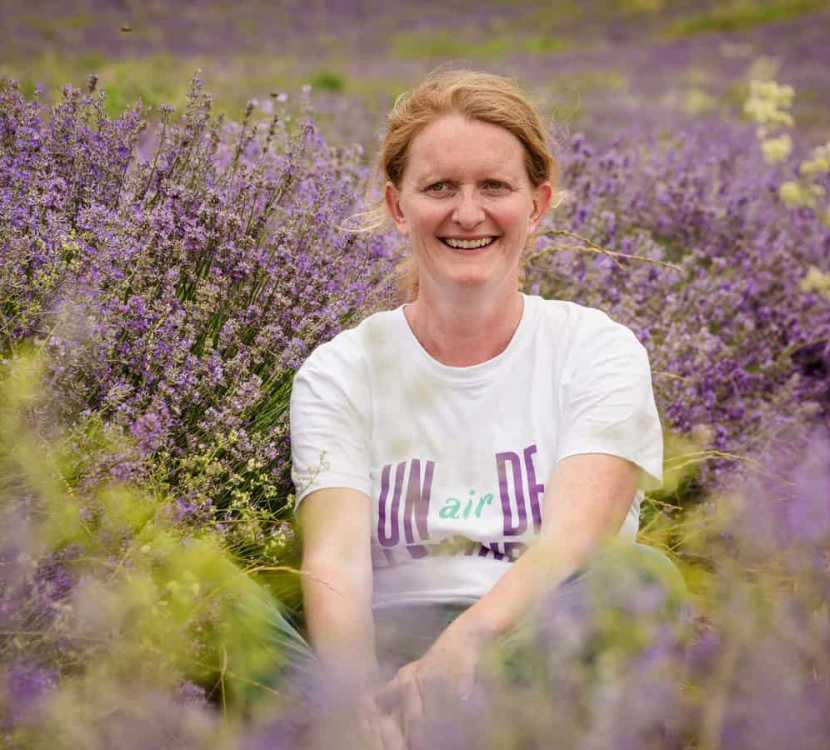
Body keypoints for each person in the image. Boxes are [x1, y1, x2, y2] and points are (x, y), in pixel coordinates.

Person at [285, 69, 687, 748]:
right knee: (217, 603)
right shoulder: (340, 370)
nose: (466, 213)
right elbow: (334, 562)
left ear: (537, 204)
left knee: (643, 578)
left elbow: (573, 540)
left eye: (494, 187)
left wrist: (463, 647)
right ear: (396, 204)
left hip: (537, 634)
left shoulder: (597, 350)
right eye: (439, 188)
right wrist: (354, 696)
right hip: (386, 655)